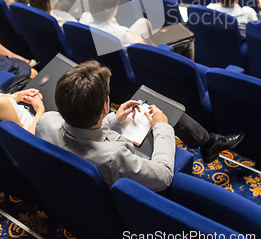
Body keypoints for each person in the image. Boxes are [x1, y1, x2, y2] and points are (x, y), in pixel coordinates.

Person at [36, 61, 244, 191]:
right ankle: (209, 142)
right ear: (104, 106)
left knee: (157, 112)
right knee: (166, 115)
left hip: (82, 175)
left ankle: (209, 143)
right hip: (120, 178)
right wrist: (162, 128)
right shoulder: (115, 157)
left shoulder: (47, 121)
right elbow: (163, 177)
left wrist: (112, 120)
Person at [79, 0, 150, 48]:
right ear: (115, 8)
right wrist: (138, 38)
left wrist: (128, 32)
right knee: (144, 22)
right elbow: (143, 49)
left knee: (143, 22)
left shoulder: (85, 17)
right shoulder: (122, 34)